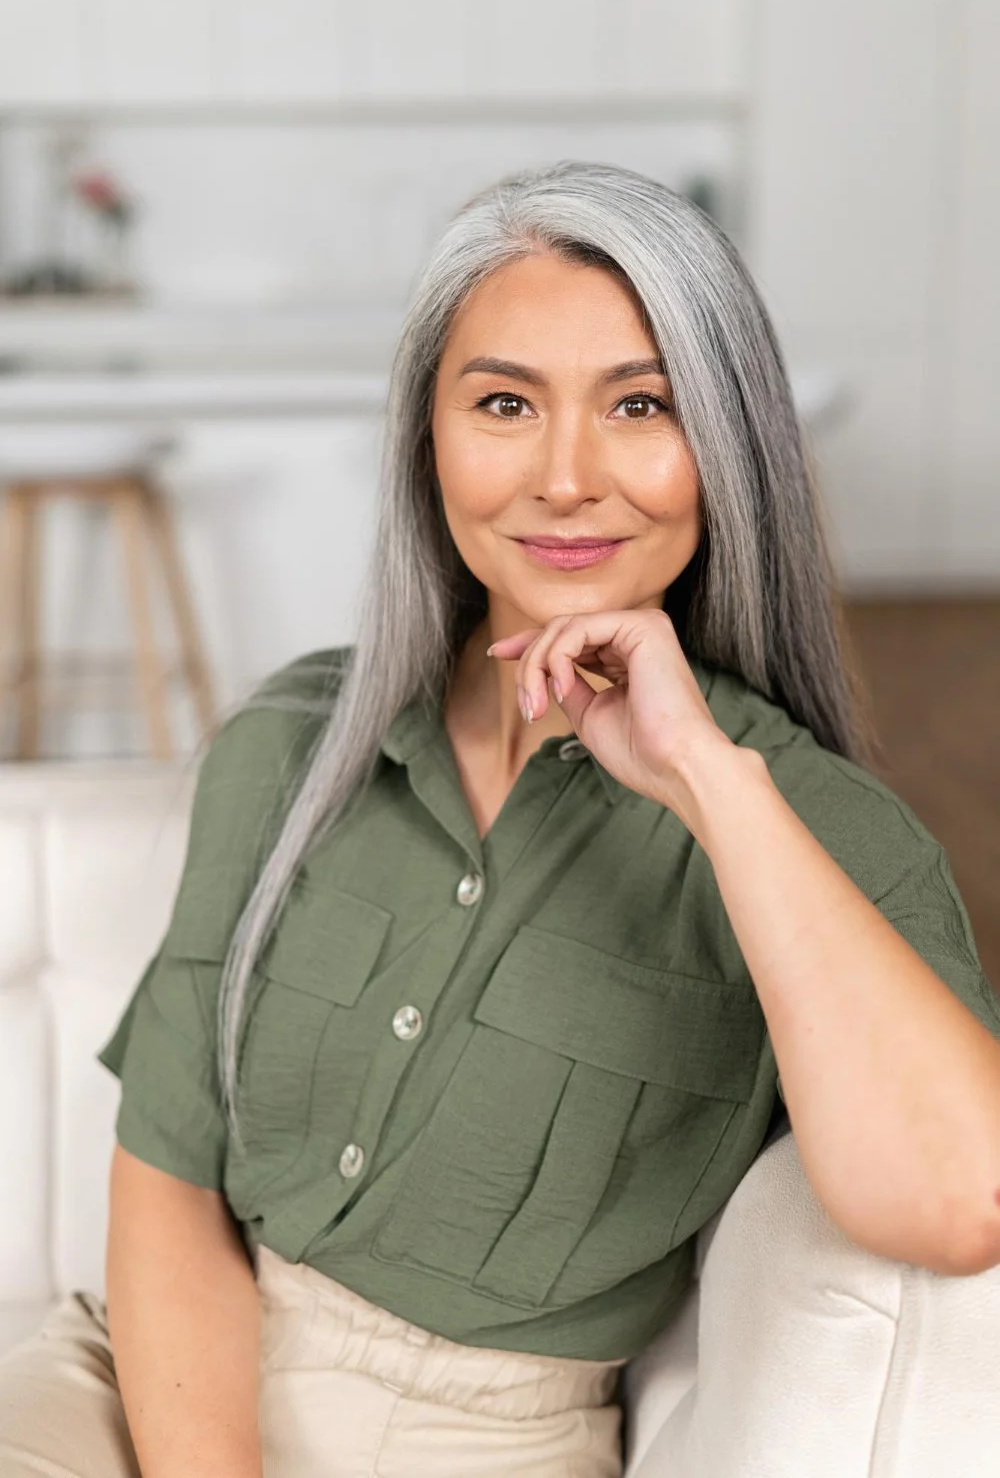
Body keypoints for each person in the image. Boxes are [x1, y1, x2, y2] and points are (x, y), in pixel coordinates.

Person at [1, 158, 999, 1478]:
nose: (566, 477)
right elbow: (171, 1181)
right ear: (429, 439)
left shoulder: (805, 827)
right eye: (505, 403)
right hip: (145, 1386)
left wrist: (704, 774)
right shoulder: (290, 745)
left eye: (641, 404)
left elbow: (955, 1200)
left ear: (731, 445)